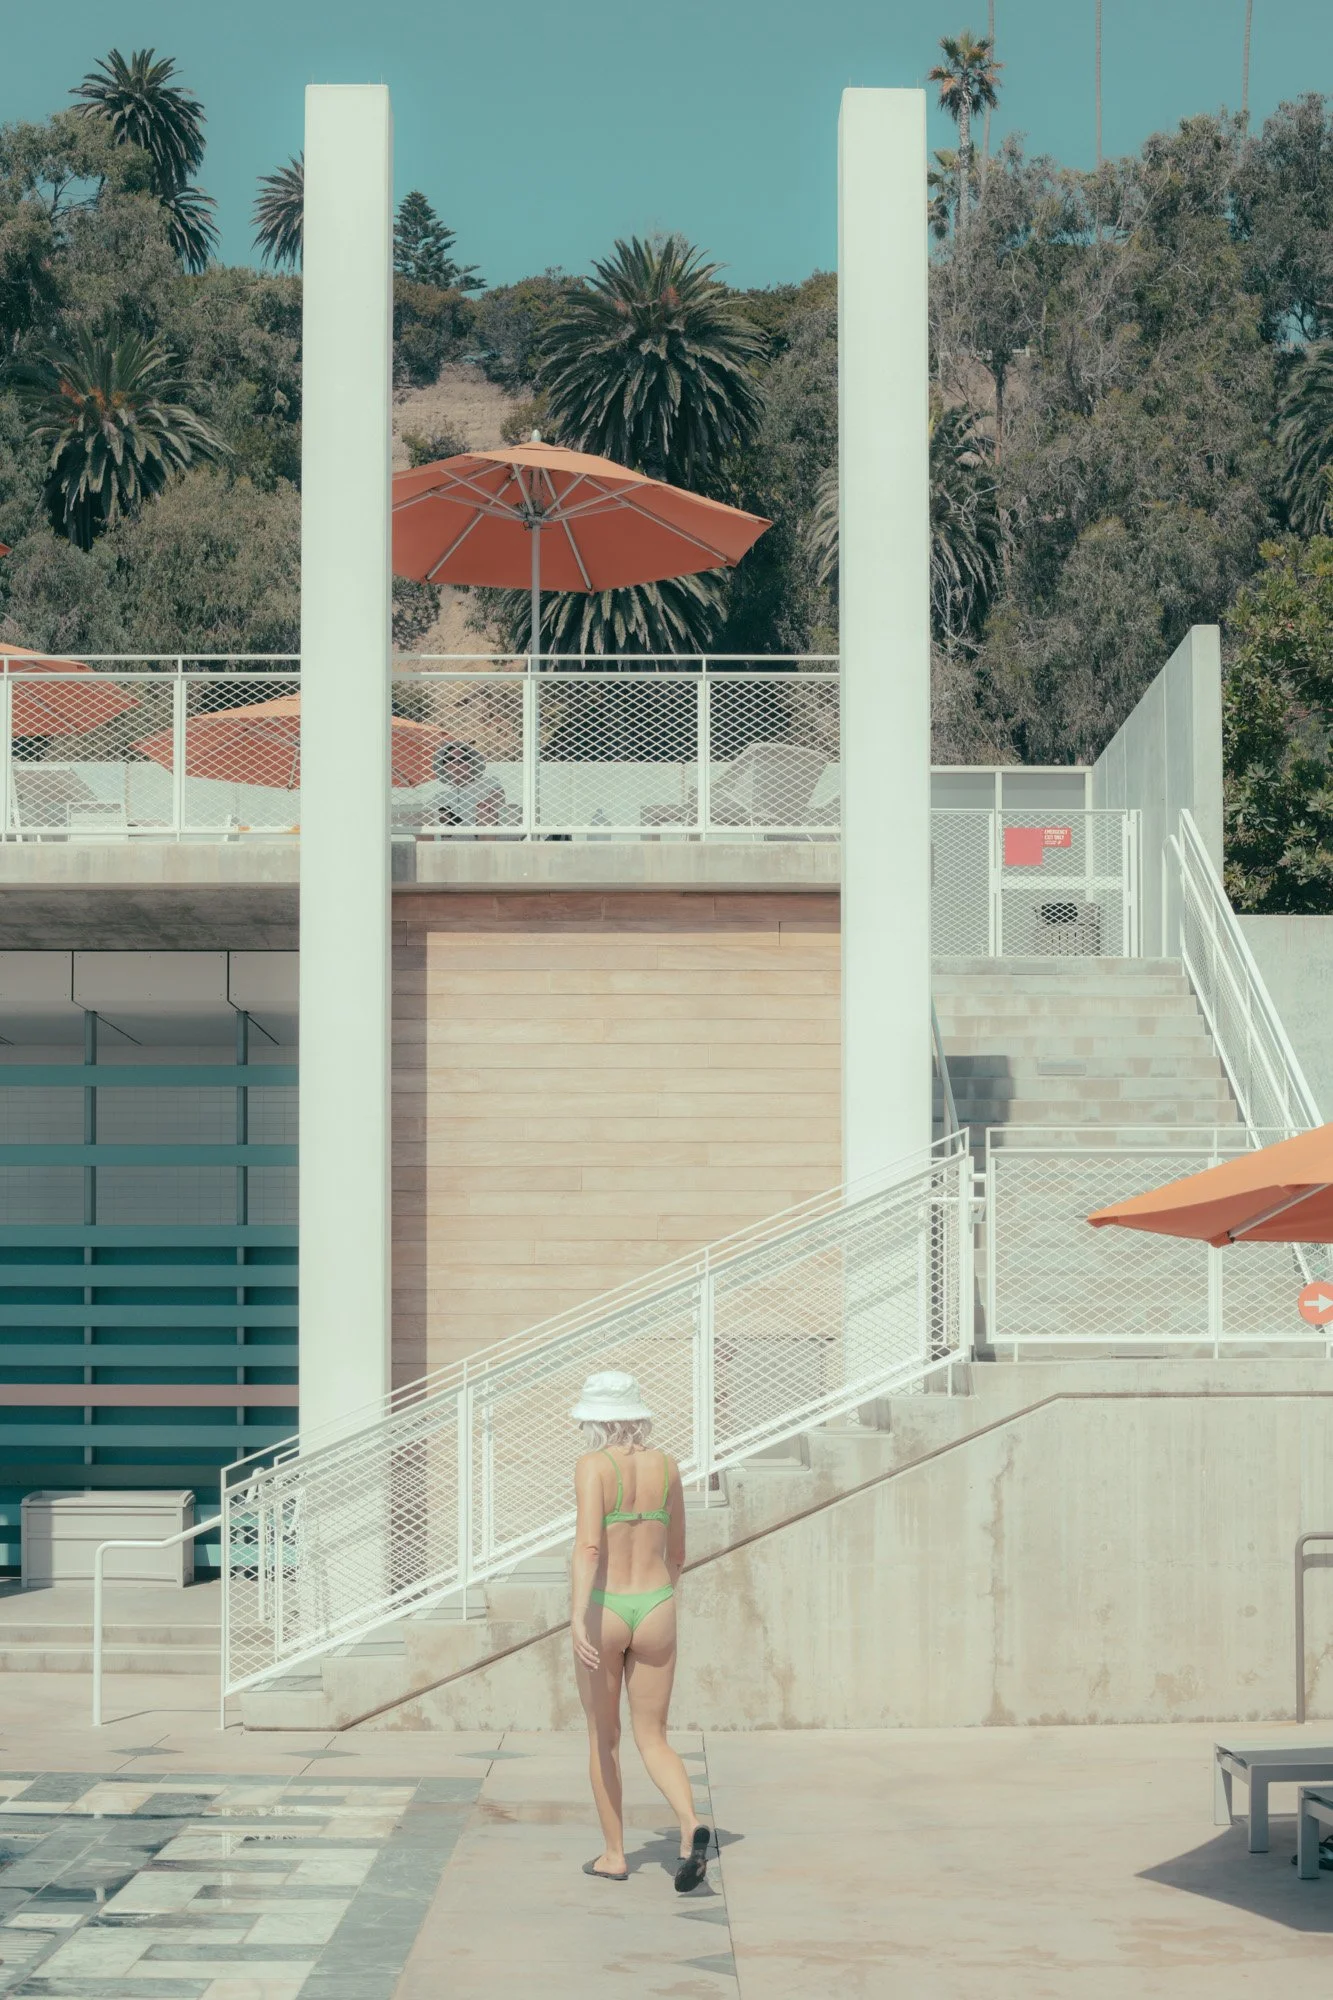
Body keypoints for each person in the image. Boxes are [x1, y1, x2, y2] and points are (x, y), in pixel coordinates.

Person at [569, 1369, 713, 1891]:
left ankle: (613, 1855)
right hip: (656, 1605)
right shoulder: (668, 1465)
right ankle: (690, 1826)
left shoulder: (592, 1466)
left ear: (594, 1421)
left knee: (604, 1738)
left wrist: (578, 1617)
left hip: (605, 1607)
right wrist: (659, 1598)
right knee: (654, 1736)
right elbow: (677, 1553)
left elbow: (588, 1548)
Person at [428, 740, 504, 828]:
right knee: (425, 817)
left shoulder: (488, 783)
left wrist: (488, 804)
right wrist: (439, 817)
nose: (456, 763)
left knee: (485, 810)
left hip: (483, 836)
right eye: (450, 759)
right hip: (450, 840)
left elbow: (497, 797)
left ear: (470, 764)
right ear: (445, 767)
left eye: (463, 758)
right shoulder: (440, 798)